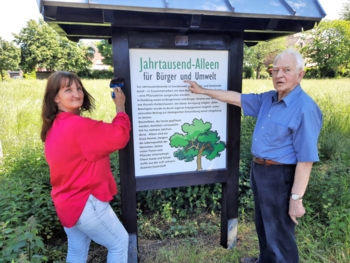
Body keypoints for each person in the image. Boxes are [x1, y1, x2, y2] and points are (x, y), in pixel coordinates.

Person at [184, 49, 322, 263]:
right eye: (275, 70)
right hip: (260, 171)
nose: (279, 75)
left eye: (286, 70)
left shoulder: (304, 108)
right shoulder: (269, 99)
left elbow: (306, 160)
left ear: (300, 75)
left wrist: (296, 198)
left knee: (280, 233)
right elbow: (237, 99)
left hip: (281, 175)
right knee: (263, 223)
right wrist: (203, 91)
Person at [40, 72, 131, 263]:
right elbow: (119, 136)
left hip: (66, 201)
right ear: (56, 97)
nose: (76, 94)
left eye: (78, 88)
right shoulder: (78, 126)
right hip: (86, 201)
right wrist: (120, 106)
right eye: (68, 90)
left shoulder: (53, 126)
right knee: (119, 243)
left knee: (77, 251)